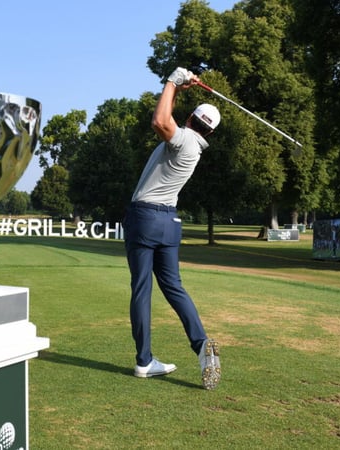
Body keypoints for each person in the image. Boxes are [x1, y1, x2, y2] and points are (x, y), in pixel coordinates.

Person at [124, 67, 221, 390]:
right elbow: (169, 116)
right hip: (168, 222)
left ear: (191, 120)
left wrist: (172, 80)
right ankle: (201, 344)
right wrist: (180, 87)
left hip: (145, 218)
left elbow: (160, 121)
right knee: (174, 288)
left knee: (141, 288)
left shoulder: (182, 140)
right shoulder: (193, 145)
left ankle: (144, 361)